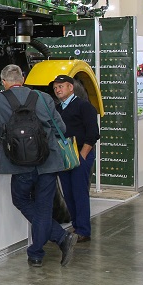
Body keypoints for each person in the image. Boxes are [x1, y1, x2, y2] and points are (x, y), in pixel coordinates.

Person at [0, 64, 77, 268]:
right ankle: (50, 243)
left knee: (21, 200)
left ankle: (44, 249)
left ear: (4, 82)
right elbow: (61, 128)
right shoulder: (43, 97)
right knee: (43, 208)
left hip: (19, 163)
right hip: (48, 162)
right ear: (23, 79)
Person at [52, 74, 100, 243]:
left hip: (80, 154)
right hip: (64, 156)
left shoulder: (84, 106)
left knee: (79, 193)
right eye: (55, 88)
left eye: (61, 86)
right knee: (69, 193)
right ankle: (76, 225)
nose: (57, 90)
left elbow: (93, 133)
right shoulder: (57, 109)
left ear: (71, 87)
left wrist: (83, 155)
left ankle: (83, 230)